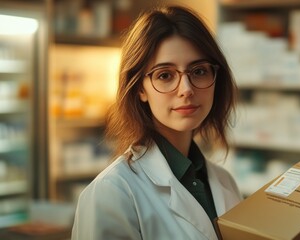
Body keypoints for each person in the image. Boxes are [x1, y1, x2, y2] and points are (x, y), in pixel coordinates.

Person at [71, 5, 242, 240]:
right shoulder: (112, 192)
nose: (186, 89)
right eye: (165, 75)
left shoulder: (224, 182)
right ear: (140, 88)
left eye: (199, 71)